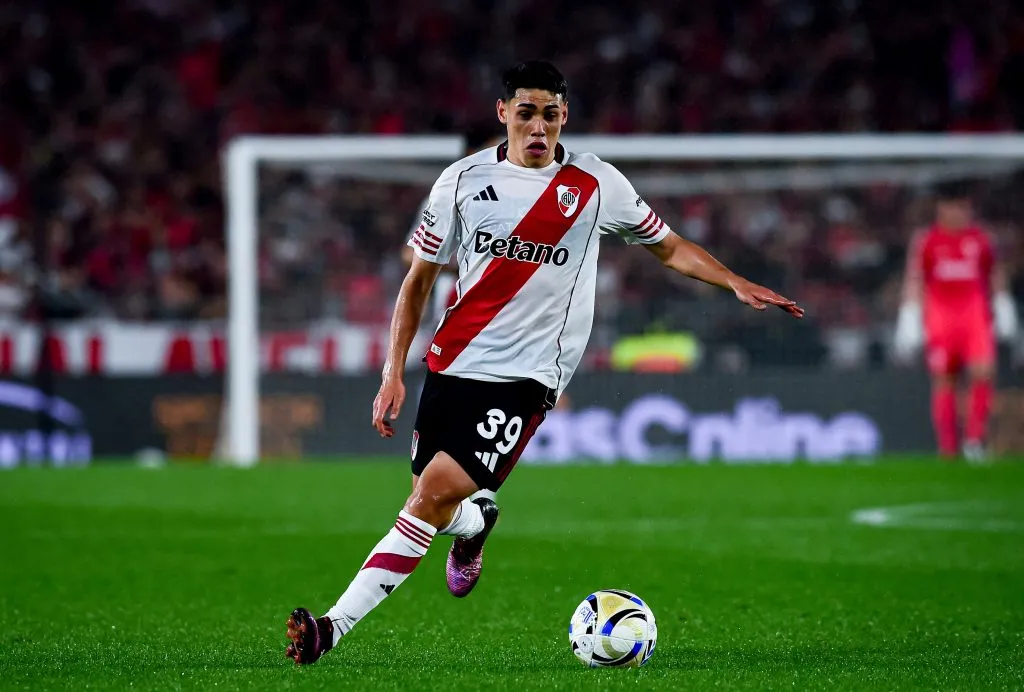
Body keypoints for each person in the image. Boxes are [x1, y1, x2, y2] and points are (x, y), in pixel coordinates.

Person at [285, 60, 803, 664]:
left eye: (550, 114)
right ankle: (477, 527)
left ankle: (331, 628)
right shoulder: (459, 181)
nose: (538, 127)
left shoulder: (595, 183)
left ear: (565, 118)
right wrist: (393, 371)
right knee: (438, 505)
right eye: (526, 112)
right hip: (453, 360)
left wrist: (734, 282)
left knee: (426, 497)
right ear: (503, 113)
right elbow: (417, 280)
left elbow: (668, 247)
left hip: (528, 376)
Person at [895, 182, 1019, 461]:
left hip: (975, 316)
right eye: (954, 207)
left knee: (984, 372)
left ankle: (974, 442)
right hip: (941, 318)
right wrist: (910, 314)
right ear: (942, 209)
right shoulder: (928, 240)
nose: (959, 213)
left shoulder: (980, 238)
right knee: (945, 381)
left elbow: (994, 272)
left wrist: (1003, 302)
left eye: (964, 207)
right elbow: (915, 278)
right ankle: (948, 450)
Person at [403, 127, 504, 369]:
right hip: (457, 307)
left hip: (505, 309)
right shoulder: (447, 196)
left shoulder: (519, 199)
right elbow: (409, 254)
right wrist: (460, 266)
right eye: (495, 150)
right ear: (472, 153)